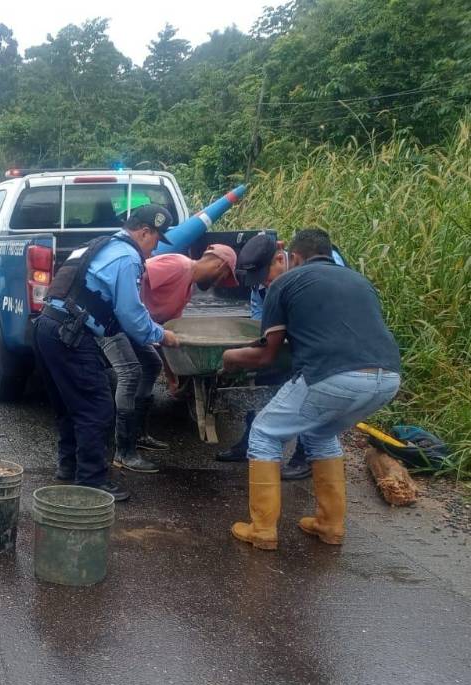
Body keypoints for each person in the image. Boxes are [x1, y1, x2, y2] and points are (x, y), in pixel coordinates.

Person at [221, 228, 400, 550]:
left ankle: (262, 529)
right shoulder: (358, 280)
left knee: (264, 433)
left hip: (334, 376)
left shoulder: (286, 282)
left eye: (265, 274)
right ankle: (330, 525)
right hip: (386, 378)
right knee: (319, 434)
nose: (264, 282)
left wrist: (228, 357)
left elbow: (266, 356)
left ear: (287, 257)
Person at [33, 204, 180, 502]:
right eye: (155, 240)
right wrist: (162, 335)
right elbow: (131, 316)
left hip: (45, 327)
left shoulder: (101, 244)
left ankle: (69, 466)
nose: (153, 250)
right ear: (144, 232)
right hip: (70, 335)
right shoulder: (127, 258)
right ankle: (91, 482)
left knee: (68, 404)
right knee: (96, 407)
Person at [217, 233, 348, 479]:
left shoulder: (327, 268)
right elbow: (259, 318)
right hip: (288, 337)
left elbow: (329, 314)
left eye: (266, 276)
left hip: (322, 346)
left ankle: (304, 456)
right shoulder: (265, 284)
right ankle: (248, 440)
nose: (265, 284)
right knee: (259, 376)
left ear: (281, 259)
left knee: (311, 404)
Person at [104, 244, 239, 473]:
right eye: (224, 275)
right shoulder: (177, 265)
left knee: (152, 363)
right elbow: (133, 280)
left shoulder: (187, 289)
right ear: (220, 264)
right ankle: (123, 451)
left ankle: (138, 435)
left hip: (137, 329)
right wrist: (135, 319)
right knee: (130, 373)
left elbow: (167, 333)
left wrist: (171, 373)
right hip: (116, 320)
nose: (219, 282)